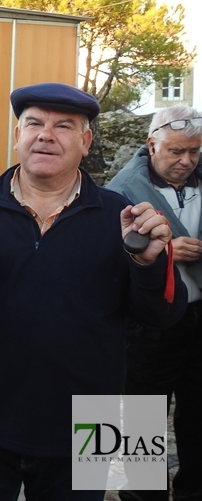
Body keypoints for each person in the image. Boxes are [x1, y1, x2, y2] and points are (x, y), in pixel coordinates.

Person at [0, 82, 188, 501]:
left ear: (85, 141)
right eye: (34, 123)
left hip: (91, 422)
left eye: (64, 126)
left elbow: (162, 317)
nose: (45, 134)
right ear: (17, 136)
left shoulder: (121, 216)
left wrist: (148, 264)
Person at [107, 104, 202, 501]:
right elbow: (103, 256)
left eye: (194, 152)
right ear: (151, 144)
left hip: (198, 314)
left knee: (198, 412)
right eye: (176, 151)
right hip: (148, 321)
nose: (186, 161)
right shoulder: (120, 190)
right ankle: (143, 495)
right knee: (143, 413)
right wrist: (160, 251)